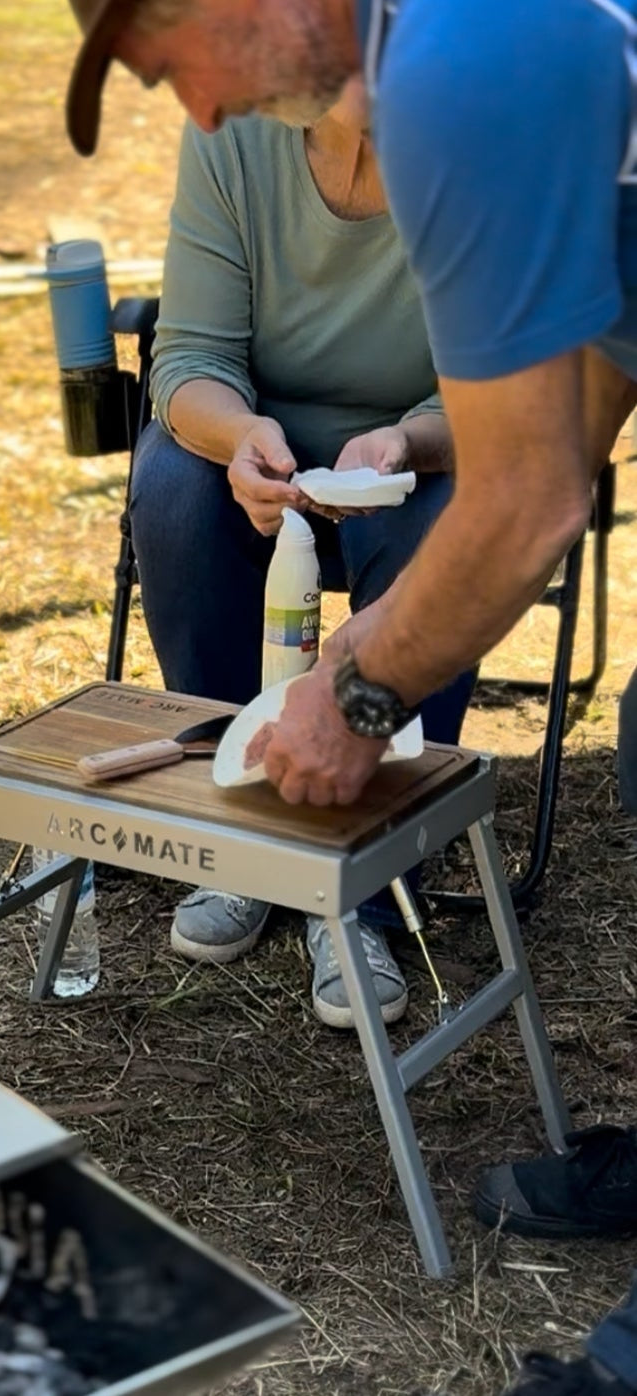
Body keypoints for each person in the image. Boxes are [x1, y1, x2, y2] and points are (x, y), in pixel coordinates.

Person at [59, 0, 637, 1391]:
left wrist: (356, 694)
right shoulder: (443, 47)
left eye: (165, 68)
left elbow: (526, 489)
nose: (191, 116)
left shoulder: (445, 67)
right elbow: (593, 383)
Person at [129, 80, 473, 1028]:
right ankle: (238, 824)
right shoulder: (233, 136)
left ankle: (362, 874)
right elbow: (189, 359)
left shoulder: (477, 149)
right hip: (261, 438)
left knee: (439, 515)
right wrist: (239, 435)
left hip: (410, 451)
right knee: (171, 484)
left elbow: (495, 392)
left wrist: (405, 445)